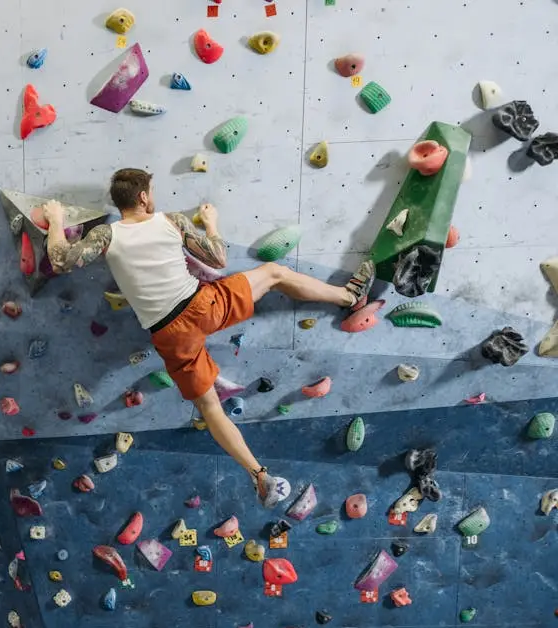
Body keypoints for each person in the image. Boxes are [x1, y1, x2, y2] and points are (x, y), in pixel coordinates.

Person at [43, 168, 373, 507]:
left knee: (210, 407)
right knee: (274, 273)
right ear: (143, 197)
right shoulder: (170, 221)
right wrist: (210, 221)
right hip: (204, 308)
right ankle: (349, 297)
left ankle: (260, 475)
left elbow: (60, 260)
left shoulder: (106, 235)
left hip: (169, 334)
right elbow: (218, 257)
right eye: (152, 190)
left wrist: (55, 219)